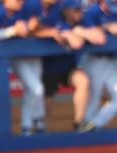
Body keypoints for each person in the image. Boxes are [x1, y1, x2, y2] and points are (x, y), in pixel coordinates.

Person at [33, 0, 95, 131]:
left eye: (80, 10)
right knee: (47, 102)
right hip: (48, 67)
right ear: (67, 10)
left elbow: (94, 38)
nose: (79, 13)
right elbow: (37, 29)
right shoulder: (54, 14)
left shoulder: (81, 20)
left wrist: (78, 32)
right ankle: (39, 128)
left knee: (83, 81)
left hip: (67, 66)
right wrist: (55, 32)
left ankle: (79, 123)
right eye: (75, 10)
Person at [0, 0, 46, 136]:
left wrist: (32, 26)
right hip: (11, 57)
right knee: (37, 89)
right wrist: (12, 30)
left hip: (30, 52)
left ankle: (27, 127)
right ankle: (26, 125)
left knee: (32, 90)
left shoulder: (27, 7)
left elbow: (36, 25)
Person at [80, 0, 117, 131]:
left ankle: (93, 126)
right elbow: (89, 32)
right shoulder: (92, 12)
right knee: (93, 101)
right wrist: (107, 27)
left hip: (112, 60)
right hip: (94, 60)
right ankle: (83, 135)